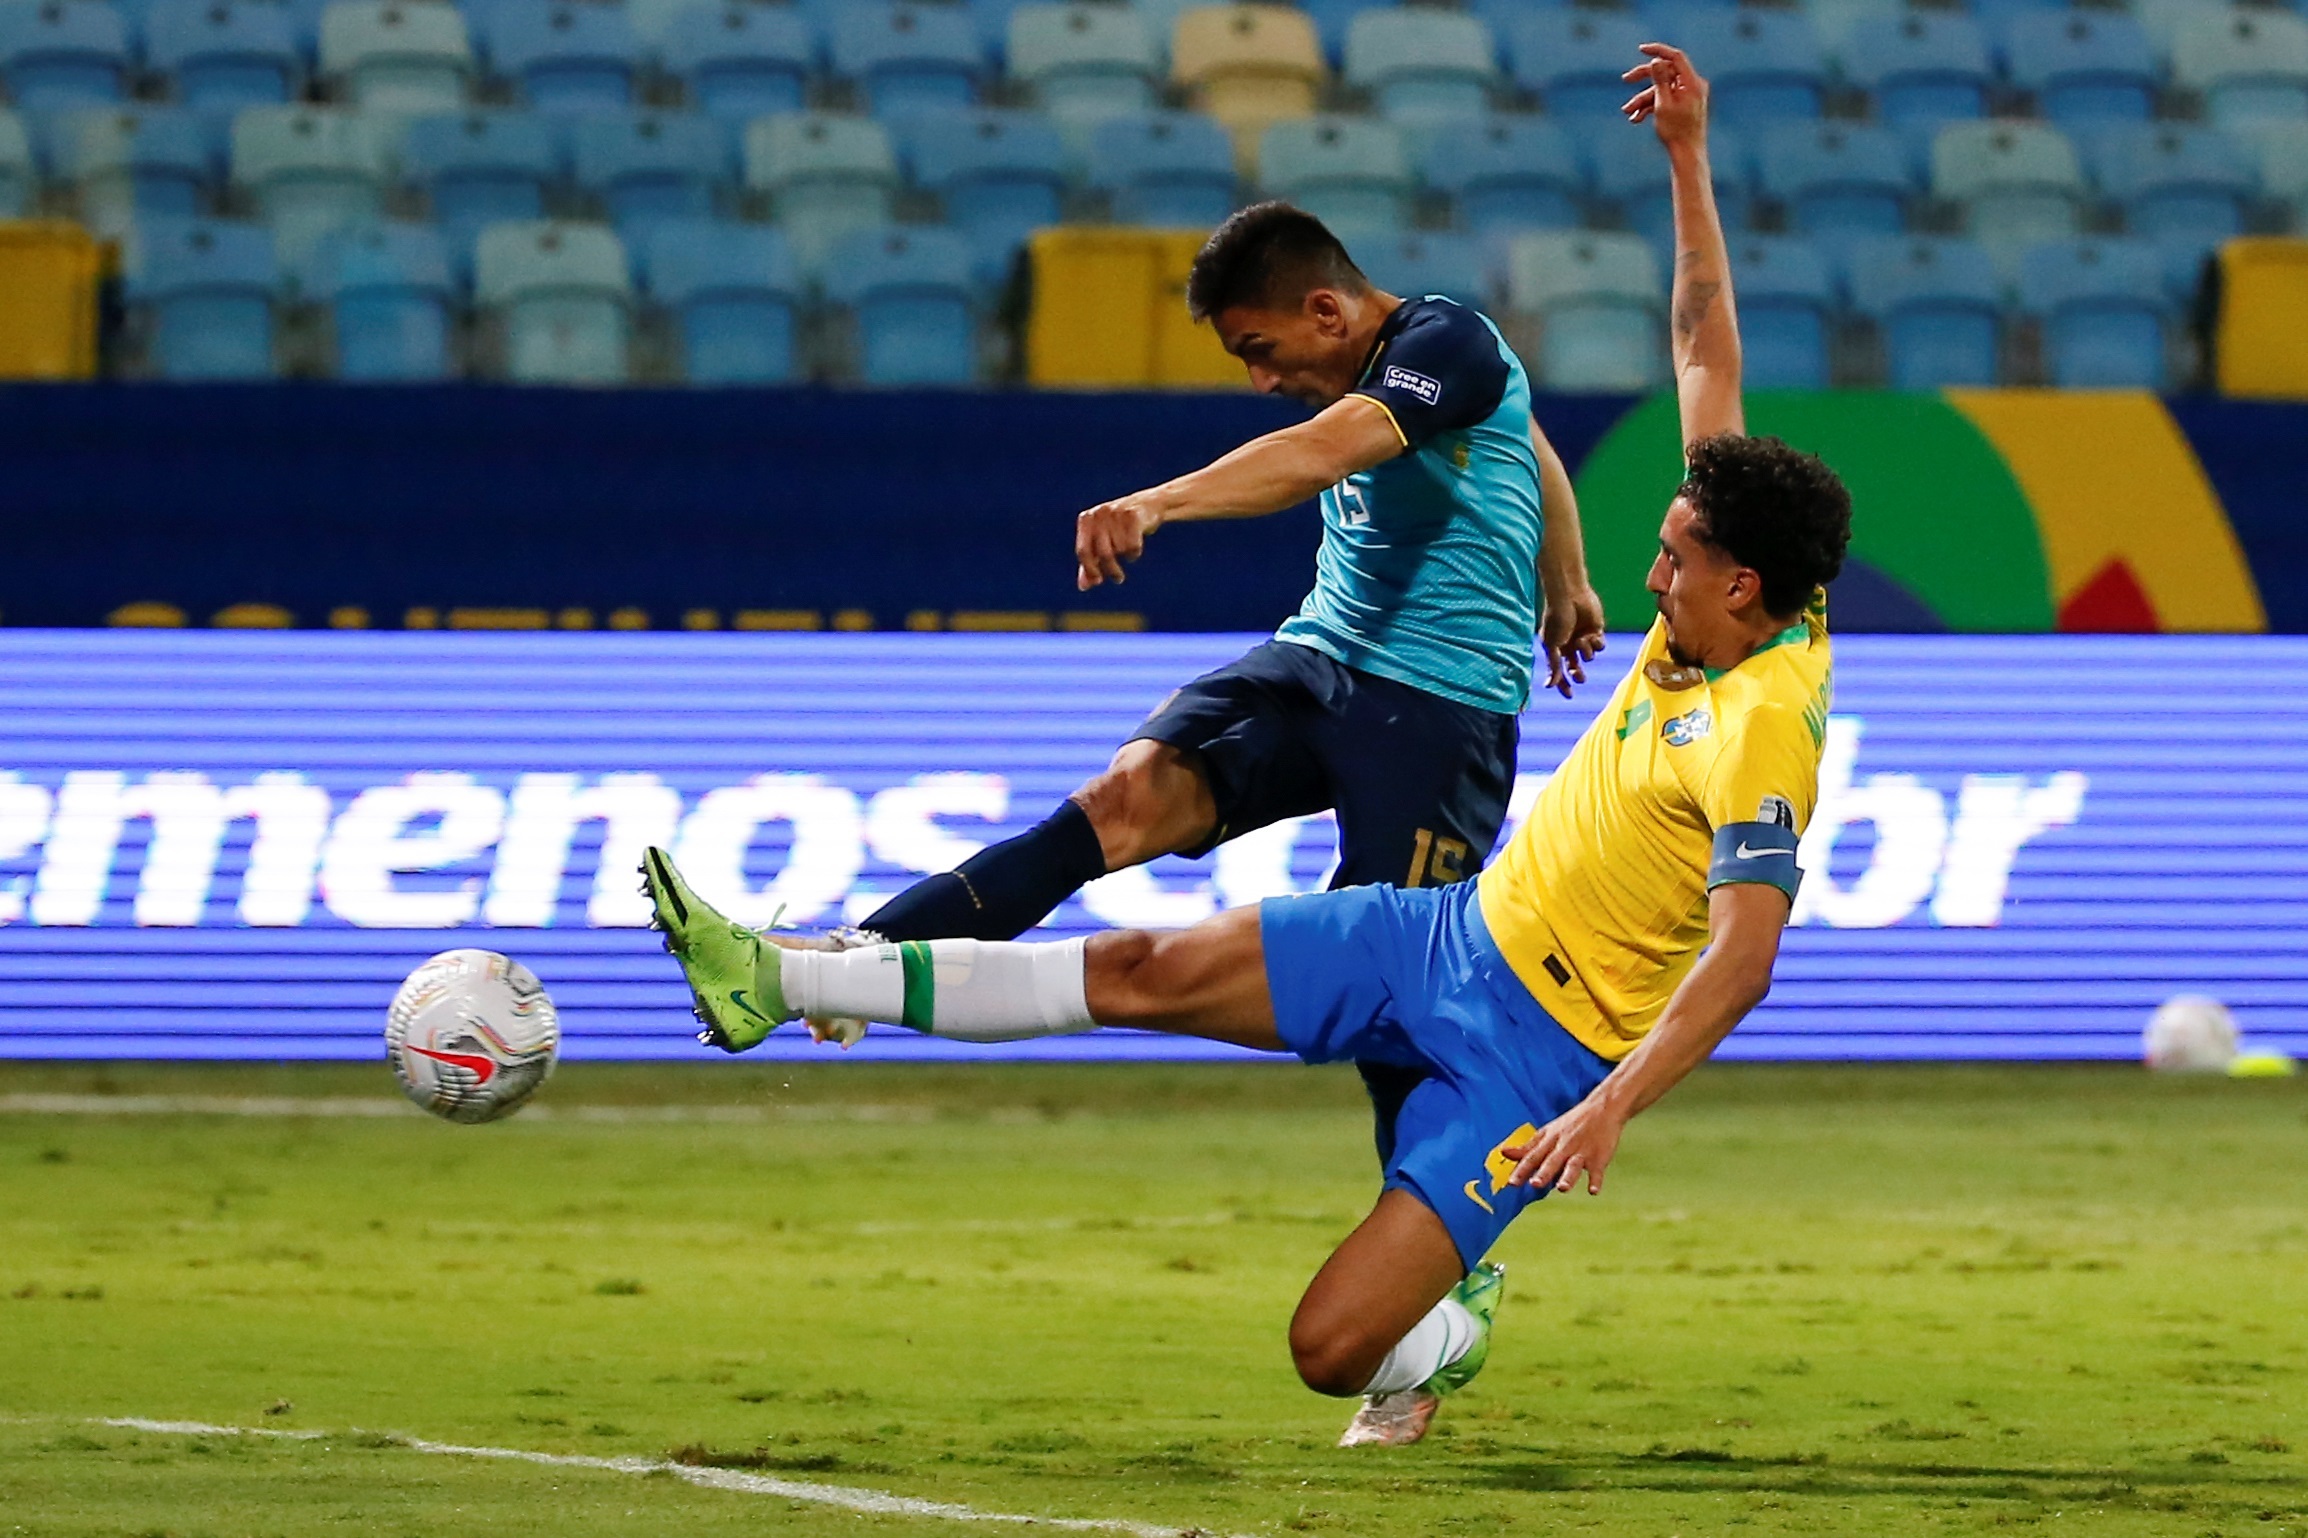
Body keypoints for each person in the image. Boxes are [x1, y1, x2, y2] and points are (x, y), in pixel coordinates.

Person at [644, 43, 1851, 1449]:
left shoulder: (1765, 721)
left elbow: (1745, 958)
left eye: (1673, 564)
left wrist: (1610, 1112)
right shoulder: (1732, 567)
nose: (1657, 583)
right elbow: (1702, 341)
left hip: (1531, 1012)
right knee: (1138, 928)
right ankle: (790, 971)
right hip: (1444, 927)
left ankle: (1441, 1305)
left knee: (1326, 1344)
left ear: (1744, 593)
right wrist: (1690, 158)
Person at [806, 199, 1607, 1156]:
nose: (1264, 380)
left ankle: (1438, 1246)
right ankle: (859, 961)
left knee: (1399, 991)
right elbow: (1535, 442)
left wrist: (1155, 505)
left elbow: (1322, 455)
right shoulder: (1444, 370)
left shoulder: (1448, 345)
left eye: (1261, 350)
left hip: (1441, 710)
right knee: (1119, 801)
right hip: (1319, 659)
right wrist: (1567, 578)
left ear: (1327, 310)